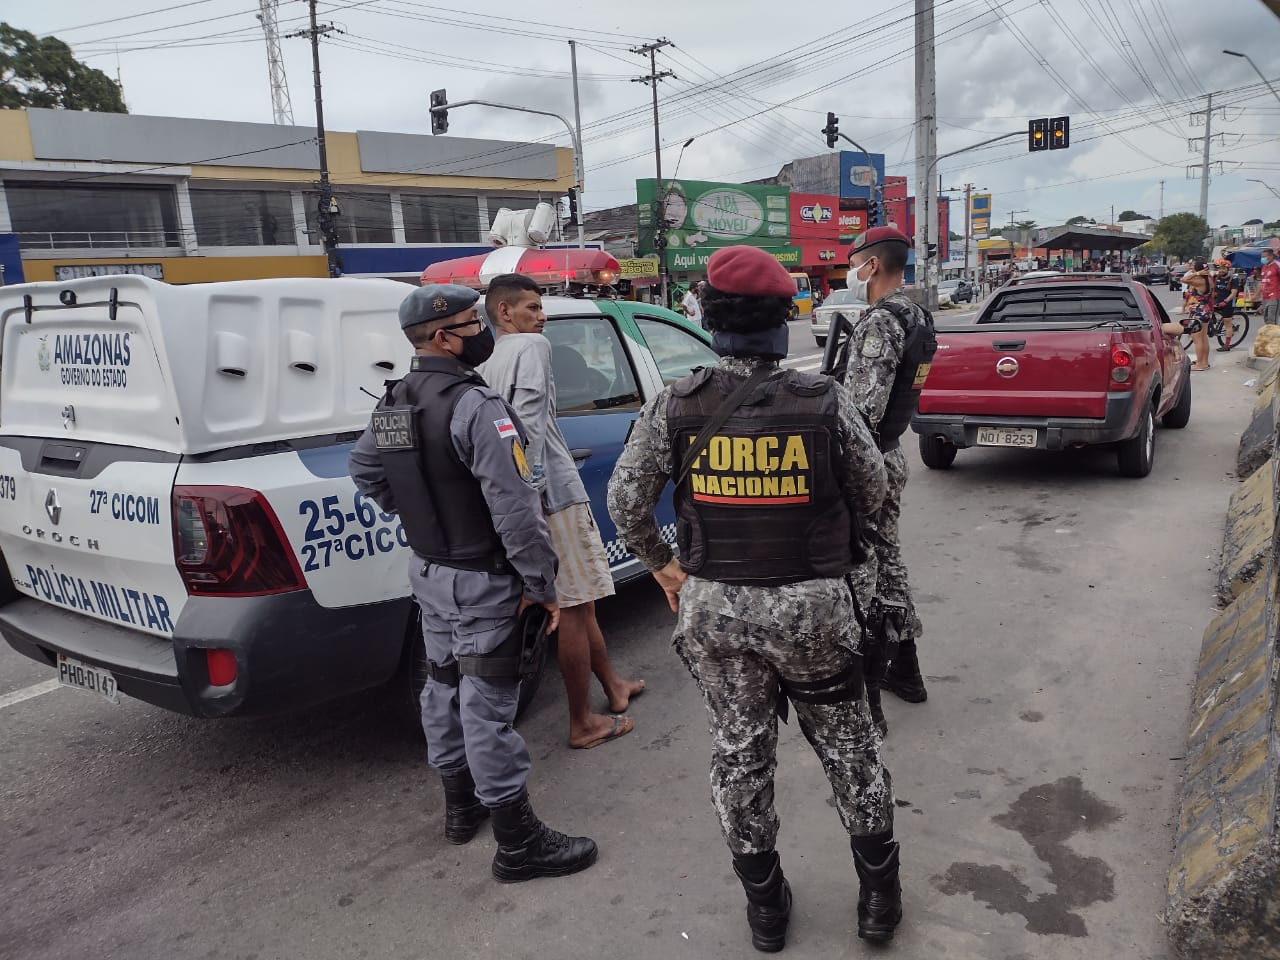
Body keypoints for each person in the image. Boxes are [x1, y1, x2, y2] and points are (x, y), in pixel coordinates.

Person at [607, 245, 903, 951]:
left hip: (716, 614)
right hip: (814, 613)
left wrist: (667, 569)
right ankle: (878, 905)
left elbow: (626, 502)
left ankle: (766, 910)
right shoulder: (824, 402)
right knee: (852, 752)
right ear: (782, 319)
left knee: (740, 753)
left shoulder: (674, 405)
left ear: (710, 320)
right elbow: (874, 494)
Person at [347, 283, 598, 883]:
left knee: (441, 688)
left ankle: (461, 810)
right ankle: (517, 844)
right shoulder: (475, 406)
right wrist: (541, 584)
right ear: (442, 337)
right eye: (469, 323)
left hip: (430, 572)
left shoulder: (395, 402)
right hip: (483, 579)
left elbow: (364, 470)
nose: (480, 330)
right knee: (486, 708)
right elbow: (516, 508)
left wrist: (417, 512)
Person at [478, 272, 644, 750]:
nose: (541, 317)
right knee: (573, 607)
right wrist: (528, 488)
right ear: (504, 312)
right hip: (550, 493)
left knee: (582, 601)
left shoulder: (486, 360)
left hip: (527, 496)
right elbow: (526, 421)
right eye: (531, 308)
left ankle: (612, 687)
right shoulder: (530, 349)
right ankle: (581, 722)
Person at [840, 226, 935, 736]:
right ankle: (908, 670)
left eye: (851, 261)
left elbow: (861, 412)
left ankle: (868, 693)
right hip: (892, 452)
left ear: (871, 265)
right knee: (889, 560)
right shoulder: (916, 312)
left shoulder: (880, 322)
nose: (847, 270)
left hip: (868, 462)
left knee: (861, 572)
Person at [1182, 259, 1214, 370]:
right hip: (1206, 309)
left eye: (1193, 265)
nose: (1191, 267)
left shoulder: (1199, 280)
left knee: (1197, 339)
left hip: (1198, 311)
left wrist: (1196, 274)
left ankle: (1200, 364)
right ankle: (1204, 362)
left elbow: (1183, 279)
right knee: (1203, 338)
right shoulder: (1209, 279)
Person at [1211, 259, 1242, 352]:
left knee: (1227, 322)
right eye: (1220, 268)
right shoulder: (1216, 277)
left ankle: (1227, 345)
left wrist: (1225, 301)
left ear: (1228, 269)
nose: (1221, 270)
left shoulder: (1233, 278)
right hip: (1218, 299)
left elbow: (1233, 293)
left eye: (1224, 268)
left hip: (1229, 301)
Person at [1261, 248, 1280, 326]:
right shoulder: (1264, 267)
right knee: (1266, 319)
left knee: (1272, 320)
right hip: (1265, 297)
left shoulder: (1277, 265)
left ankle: (1275, 337)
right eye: (1262, 257)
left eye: (1264, 257)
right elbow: (1262, 282)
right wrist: (1255, 295)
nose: (1263, 259)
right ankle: (1270, 336)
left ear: (1271, 256)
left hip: (1275, 296)